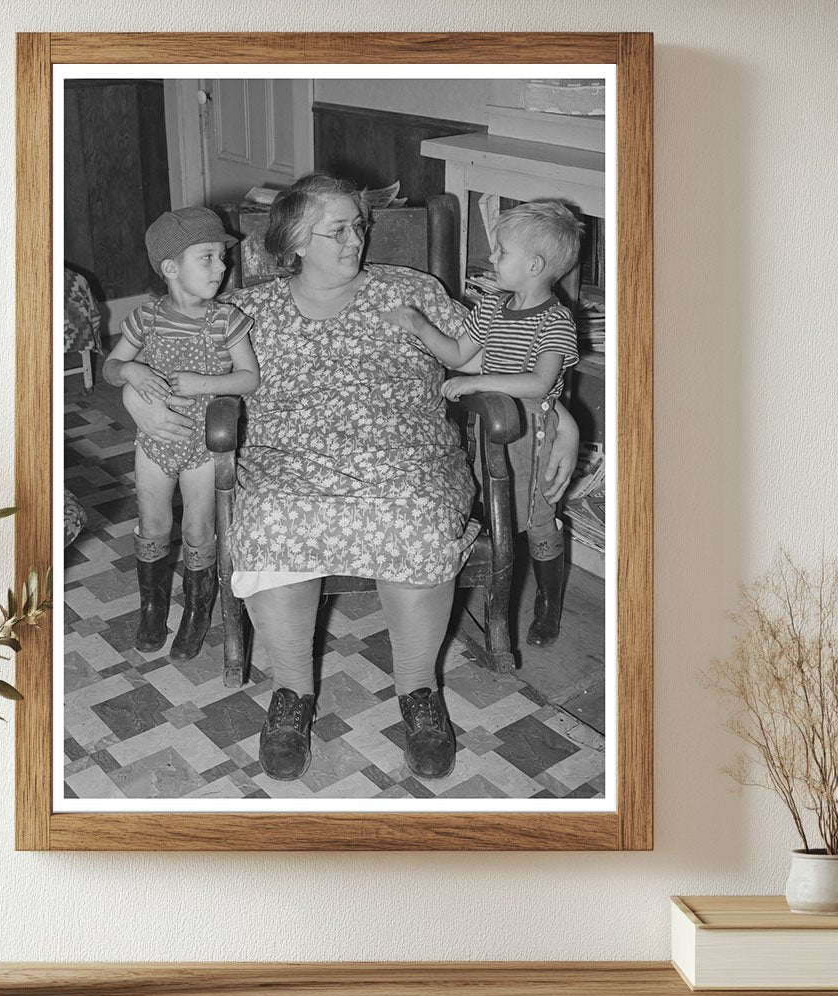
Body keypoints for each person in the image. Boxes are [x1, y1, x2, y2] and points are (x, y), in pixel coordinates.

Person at [120, 175, 579, 785]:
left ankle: (418, 691)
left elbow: (494, 353)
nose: (355, 239)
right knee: (271, 519)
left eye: (358, 226)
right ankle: (292, 693)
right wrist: (136, 399)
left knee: (415, 516)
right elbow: (157, 358)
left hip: (405, 456)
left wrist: (562, 416)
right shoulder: (247, 312)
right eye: (337, 230)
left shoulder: (410, 289)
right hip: (288, 459)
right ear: (294, 241)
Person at [384, 200, 582, 648]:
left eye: (502, 252)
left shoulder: (555, 321)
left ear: (534, 266)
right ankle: (485, 583)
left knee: (538, 518)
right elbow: (457, 354)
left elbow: (540, 383)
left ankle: (548, 604)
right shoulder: (493, 306)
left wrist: (478, 383)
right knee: (489, 506)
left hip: (534, 434)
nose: (492, 258)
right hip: (490, 426)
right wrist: (419, 325)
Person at [102, 207, 259, 661]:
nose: (221, 267)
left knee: (197, 525)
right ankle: (152, 607)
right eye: (207, 257)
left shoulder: (227, 320)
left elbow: (249, 378)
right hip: (154, 442)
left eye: (222, 257)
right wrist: (129, 370)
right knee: (153, 522)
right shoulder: (146, 317)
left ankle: (196, 609)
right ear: (171, 268)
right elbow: (111, 367)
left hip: (204, 446)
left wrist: (203, 384)